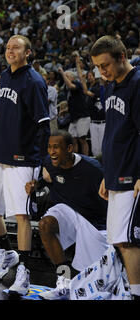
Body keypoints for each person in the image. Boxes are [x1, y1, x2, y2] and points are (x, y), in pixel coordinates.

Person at [0, 35, 50, 296]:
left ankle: (24, 269)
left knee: (22, 215)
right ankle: (6, 251)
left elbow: (44, 124)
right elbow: (7, 108)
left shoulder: (34, 82)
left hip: (23, 158)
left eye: (16, 47)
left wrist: (42, 163)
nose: (10, 51)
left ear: (28, 53)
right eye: (8, 47)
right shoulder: (6, 77)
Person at [25, 130, 108, 300]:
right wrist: (37, 184)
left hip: (93, 221)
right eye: (49, 147)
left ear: (69, 148)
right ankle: (64, 279)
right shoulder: (50, 163)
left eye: (56, 147)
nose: (51, 152)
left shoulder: (93, 170)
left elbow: (108, 201)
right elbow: (49, 178)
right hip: (66, 211)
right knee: (45, 225)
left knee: (100, 284)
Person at [90, 35, 140, 300]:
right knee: (118, 240)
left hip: (133, 177)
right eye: (98, 66)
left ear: (122, 57)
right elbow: (112, 134)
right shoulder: (109, 87)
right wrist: (106, 175)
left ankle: (135, 294)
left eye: (105, 65)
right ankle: (128, 290)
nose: (102, 71)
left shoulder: (137, 84)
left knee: (128, 240)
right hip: (115, 174)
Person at [58, 67, 90, 155]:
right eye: (65, 76)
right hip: (74, 117)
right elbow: (74, 104)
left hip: (82, 116)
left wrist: (62, 73)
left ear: (72, 77)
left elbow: (70, 85)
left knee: (82, 140)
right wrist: (65, 110)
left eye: (67, 76)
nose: (66, 78)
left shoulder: (77, 84)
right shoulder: (68, 90)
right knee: (73, 140)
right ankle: (75, 158)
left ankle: (86, 159)